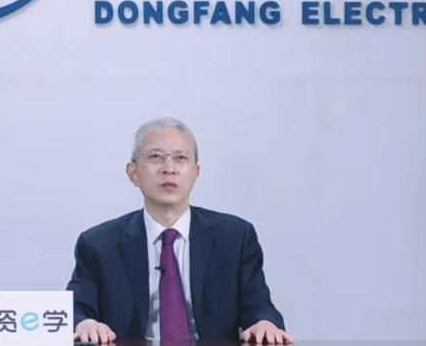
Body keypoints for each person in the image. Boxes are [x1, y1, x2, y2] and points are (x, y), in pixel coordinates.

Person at [67, 117, 293, 344]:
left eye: (181, 158)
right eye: (155, 157)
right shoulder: (99, 244)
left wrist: (264, 322)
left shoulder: (235, 237)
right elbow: (76, 309)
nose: (169, 169)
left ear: (196, 172)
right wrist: (84, 323)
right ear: (133, 173)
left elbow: (259, 306)